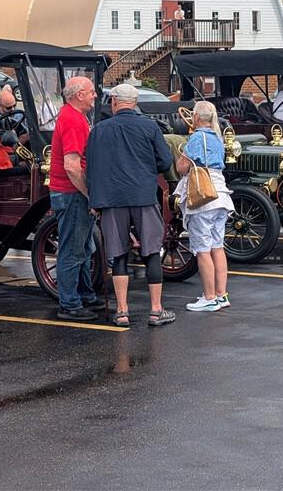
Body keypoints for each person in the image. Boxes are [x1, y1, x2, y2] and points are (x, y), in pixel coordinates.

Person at [87, 83, 175, 327]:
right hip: (143, 196)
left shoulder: (99, 130)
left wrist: (95, 201)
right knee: (151, 252)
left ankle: (122, 311)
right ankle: (156, 310)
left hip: (112, 199)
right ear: (135, 103)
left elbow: (92, 168)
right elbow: (165, 161)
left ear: (114, 102)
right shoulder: (149, 126)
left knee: (118, 254)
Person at [48, 76, 103, 321]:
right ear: (79, 94)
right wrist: (90, 195)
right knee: (72, 250)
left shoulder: (73, 117)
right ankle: (70, 303)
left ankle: (85, 295)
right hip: (72, 194)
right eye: (91, 92)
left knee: (83, 247)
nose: (95, 96)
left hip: (70, 192)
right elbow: (72, 166)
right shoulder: (73, 120)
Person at [175, 101, 234, 312]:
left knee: (202, 249)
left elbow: (182, 167)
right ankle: (221, 294)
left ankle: (209, 297)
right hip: (221, 195)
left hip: (203, 197)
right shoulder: (217, 138)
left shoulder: (196, 138)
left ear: (197, 118)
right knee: (217, 247)